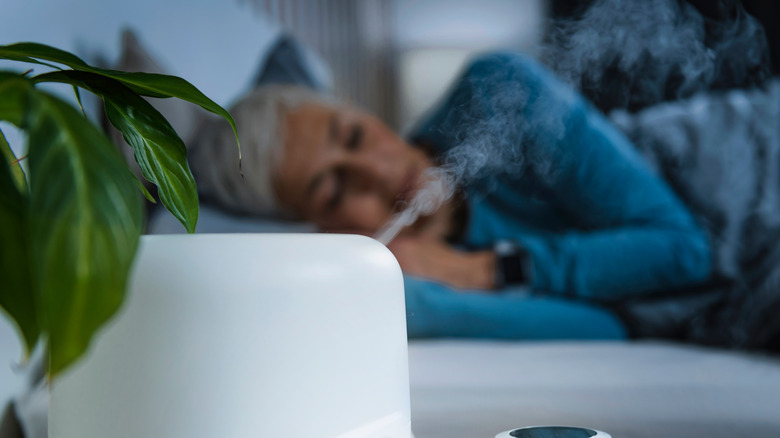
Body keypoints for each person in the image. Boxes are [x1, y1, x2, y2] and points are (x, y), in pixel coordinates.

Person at [189, 52, 713, 341]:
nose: (377, 170)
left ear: (360, 109)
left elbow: (684, 251)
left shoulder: (499, 96)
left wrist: (484, 272)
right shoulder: (413, 285)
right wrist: (421, 293)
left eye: (353, 136)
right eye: (333, 189)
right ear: (321, 229)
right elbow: (611, 328)